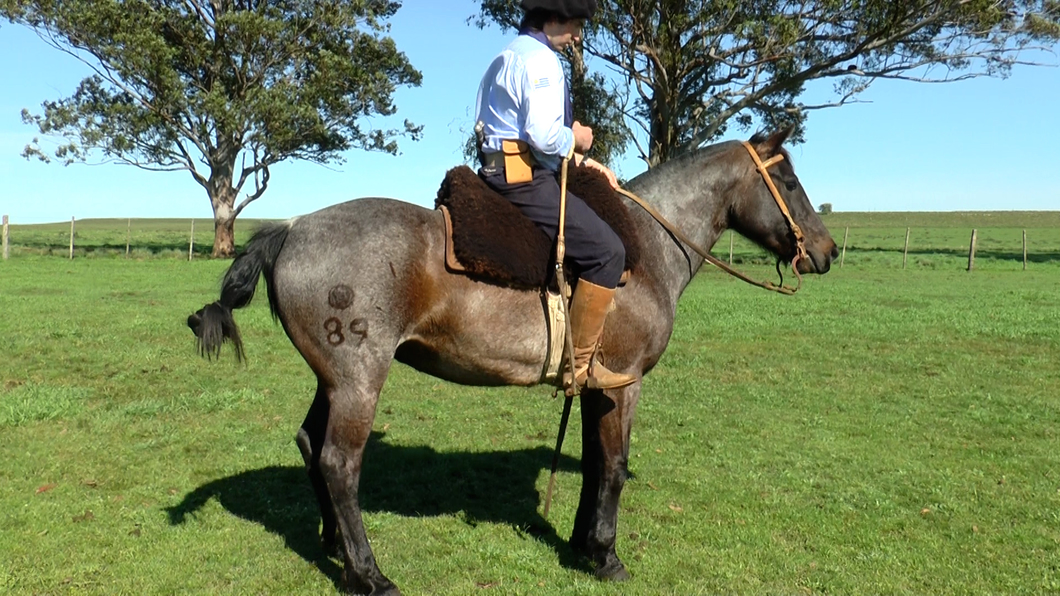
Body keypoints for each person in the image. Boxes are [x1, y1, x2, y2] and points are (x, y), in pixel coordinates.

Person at [474, 0, 635, 391]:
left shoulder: (505, 54)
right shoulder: (543, 61)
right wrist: (576, 137)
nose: (578, 36)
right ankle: (578, 366)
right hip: (524, 179)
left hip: (498, 169)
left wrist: (581, 159)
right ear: (552, 19)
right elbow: (544, 138)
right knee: (608, 251)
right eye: (575, 25)